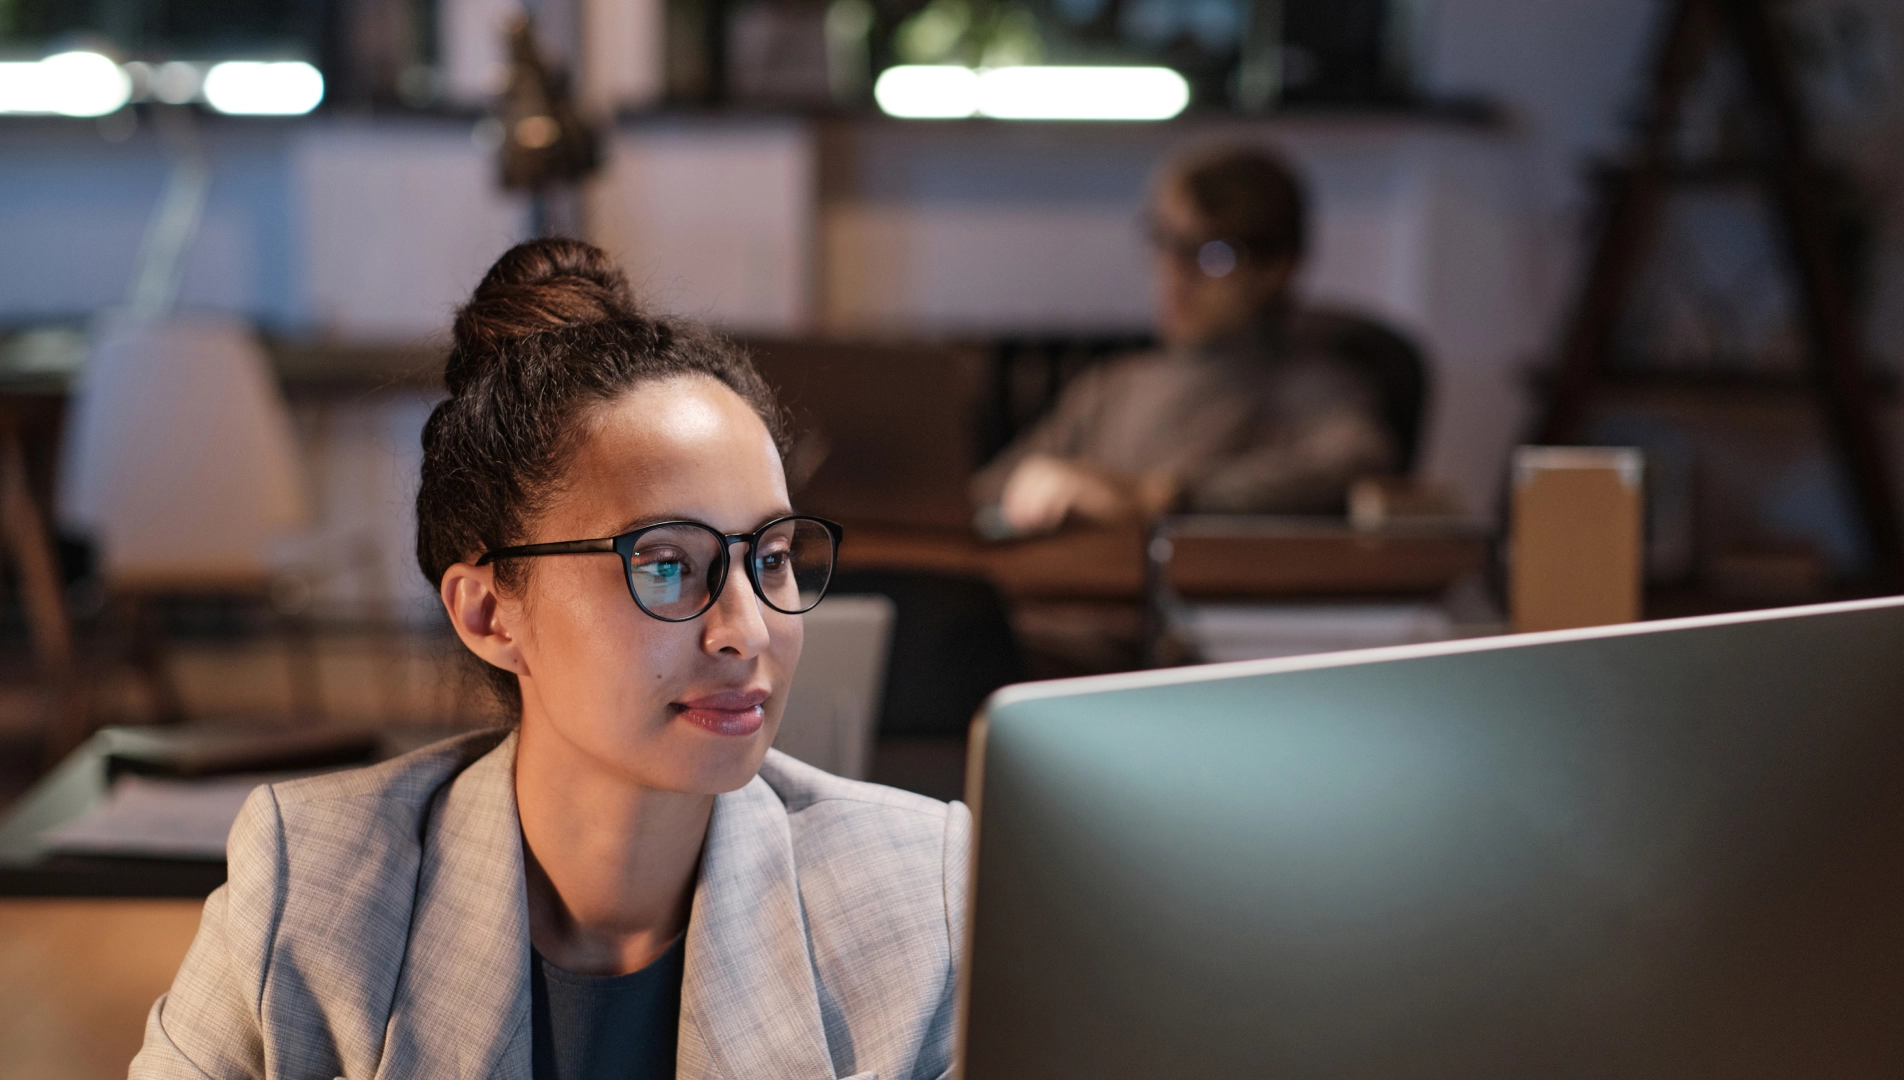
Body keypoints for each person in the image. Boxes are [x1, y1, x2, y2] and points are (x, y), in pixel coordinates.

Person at [131, 240, 969, 1080]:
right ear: (491, 612)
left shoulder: (918, 896)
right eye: (667, 563)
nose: (745, 630)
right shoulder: (313, 890)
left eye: (772, 556)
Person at [971, 144, 1406, 536]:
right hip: (1070, 600)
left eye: (1213, 255)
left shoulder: (1308, 384)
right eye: (1167, 241)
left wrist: (1160, 495)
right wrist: (1026, 494)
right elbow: (986, 491)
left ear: (1277, 267)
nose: (1176, 273)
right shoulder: (1116, 384)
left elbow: (1353, 462)